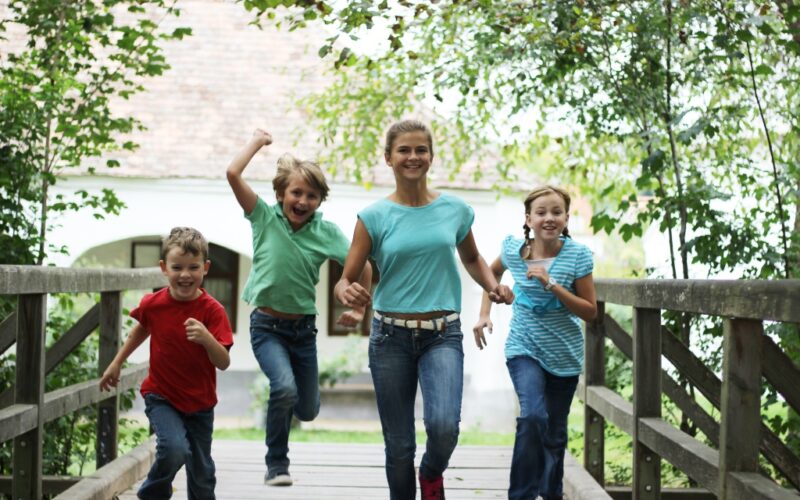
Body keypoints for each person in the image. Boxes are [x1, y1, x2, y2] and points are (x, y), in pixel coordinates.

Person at [335, 119, 514, 500]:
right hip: (390, 338)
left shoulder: (455, 209)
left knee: (444, 426)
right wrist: (346, 293)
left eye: (420, 149)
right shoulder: (373, 218)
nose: (413, 156)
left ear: (431, 156)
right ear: (388, 158)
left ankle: (431, 473)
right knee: (399, 445)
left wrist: (492, 286)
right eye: (404, 150)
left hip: (442, 335)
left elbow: (472, 258)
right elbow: (345, 278)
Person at [226, 128, 372, 487]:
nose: (303, 201)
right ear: (280, 194)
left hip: (303, 331)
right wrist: (256, 142)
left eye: (311, 195)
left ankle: (291, 404)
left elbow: (364, 265)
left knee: (307, 410)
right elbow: (233, 174)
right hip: (266, 327)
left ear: (319, 201)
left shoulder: (326, 232)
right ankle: (277, 464)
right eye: (296, 192)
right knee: (284, 388)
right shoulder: (263, 217)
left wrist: (359, 308)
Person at [472, 185, 597, 500]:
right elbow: (491, 275)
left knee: (554, 434)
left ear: (566, 218)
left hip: (564, 354)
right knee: (532, 417)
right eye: (541, 212)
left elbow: (590, 311)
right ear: (528, 219)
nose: (549, 218)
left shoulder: (578, 256)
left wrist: (551, 283)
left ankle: (551, 493)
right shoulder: (514, 250)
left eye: (556, 212)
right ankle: (521, 495)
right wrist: (485, 313)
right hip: (524, 347)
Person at [100, 226, 233, 500]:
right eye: (177, 267)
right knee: (174, 449)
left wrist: (207, 339)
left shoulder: (213, 311)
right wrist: (117, 362)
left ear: (206, 268)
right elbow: (141, 328)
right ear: (164, 268)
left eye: (193, 267)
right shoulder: (154, 304)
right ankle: (152, 494)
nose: (185, 275)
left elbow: (223, 362)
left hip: (200, 403)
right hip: (162, 396)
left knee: (202, 473)